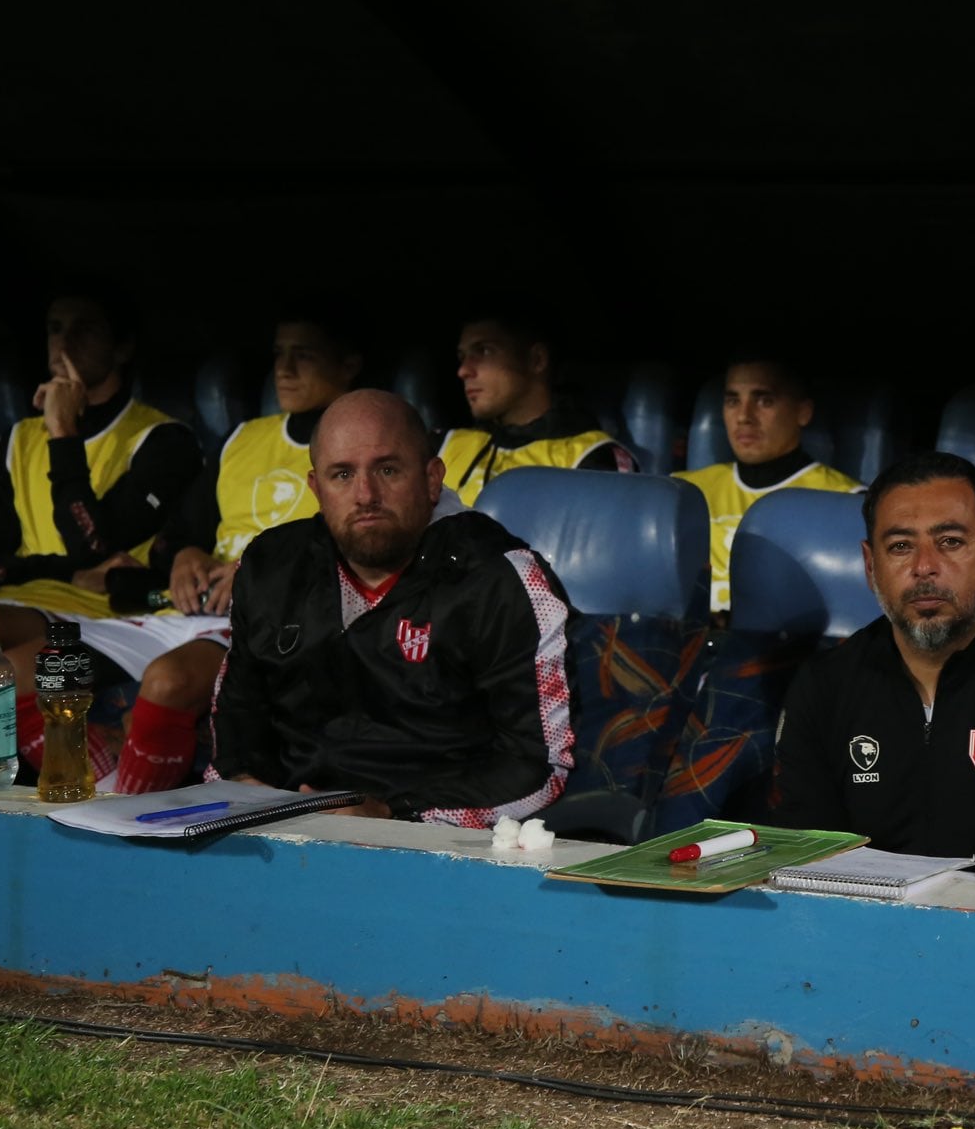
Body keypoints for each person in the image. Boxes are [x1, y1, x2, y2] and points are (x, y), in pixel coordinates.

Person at [208, 389, 576, 825]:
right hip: (288, 829)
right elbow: (236, 721)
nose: (366, 495)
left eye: (387, 469)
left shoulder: (503, 580)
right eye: (342, 475)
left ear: (432, 478)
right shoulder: (271, 565)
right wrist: (246, 786)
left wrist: (392, 814)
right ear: (316, 488)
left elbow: (538, 766)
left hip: (433, 841)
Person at [762, 450, 975, 885]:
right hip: (853, 936)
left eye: (950, 542)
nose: (924, 567)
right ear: (871, 567)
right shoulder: (823, 687)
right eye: (901, 546)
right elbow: (803, 858)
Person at [58, 315, 364, 794]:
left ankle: (124, 815)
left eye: (303, 355)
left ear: (349, 365)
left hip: (271, 619)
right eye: (279, 353)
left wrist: (259, 573)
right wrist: (184, 556)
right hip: (193, 607)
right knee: (36, 671)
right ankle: (102, 790)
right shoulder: (243, 438)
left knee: (165, 681)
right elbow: (180, 533)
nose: (283, 369)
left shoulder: (361, 453)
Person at [0, 277, 203, 780]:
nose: (64, 342)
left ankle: (68, 790)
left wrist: (62, 432)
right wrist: (49, 569)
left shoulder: (162, 439)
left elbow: (95, 546)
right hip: (25, 598)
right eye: (55, 329)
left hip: (103, 610)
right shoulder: (18, 438)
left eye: (85, 330)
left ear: (122, 347)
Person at [673, 354, 863, 613]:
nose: (744, 416)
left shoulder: (847, 503)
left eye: (764, 400)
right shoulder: (683, 490)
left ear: (803, 412)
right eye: (732, 401)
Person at [436, 309, 635, 506]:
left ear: (537, 360)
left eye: (484, 351)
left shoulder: (591, 458)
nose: (463, 371)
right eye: (463, 357)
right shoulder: (443, 444)